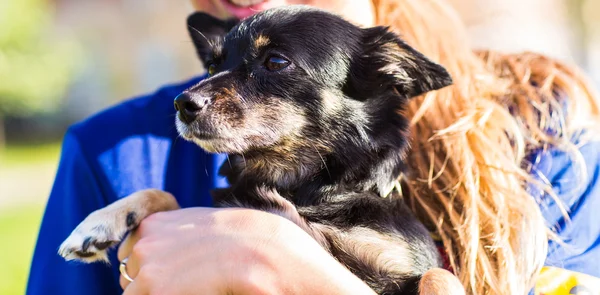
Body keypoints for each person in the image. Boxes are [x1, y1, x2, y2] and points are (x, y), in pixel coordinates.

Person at [26, 0, 600, 295]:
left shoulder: (542, 129)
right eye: (223, 63)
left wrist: (272, 255)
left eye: (275, 63)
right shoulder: (110, 154)